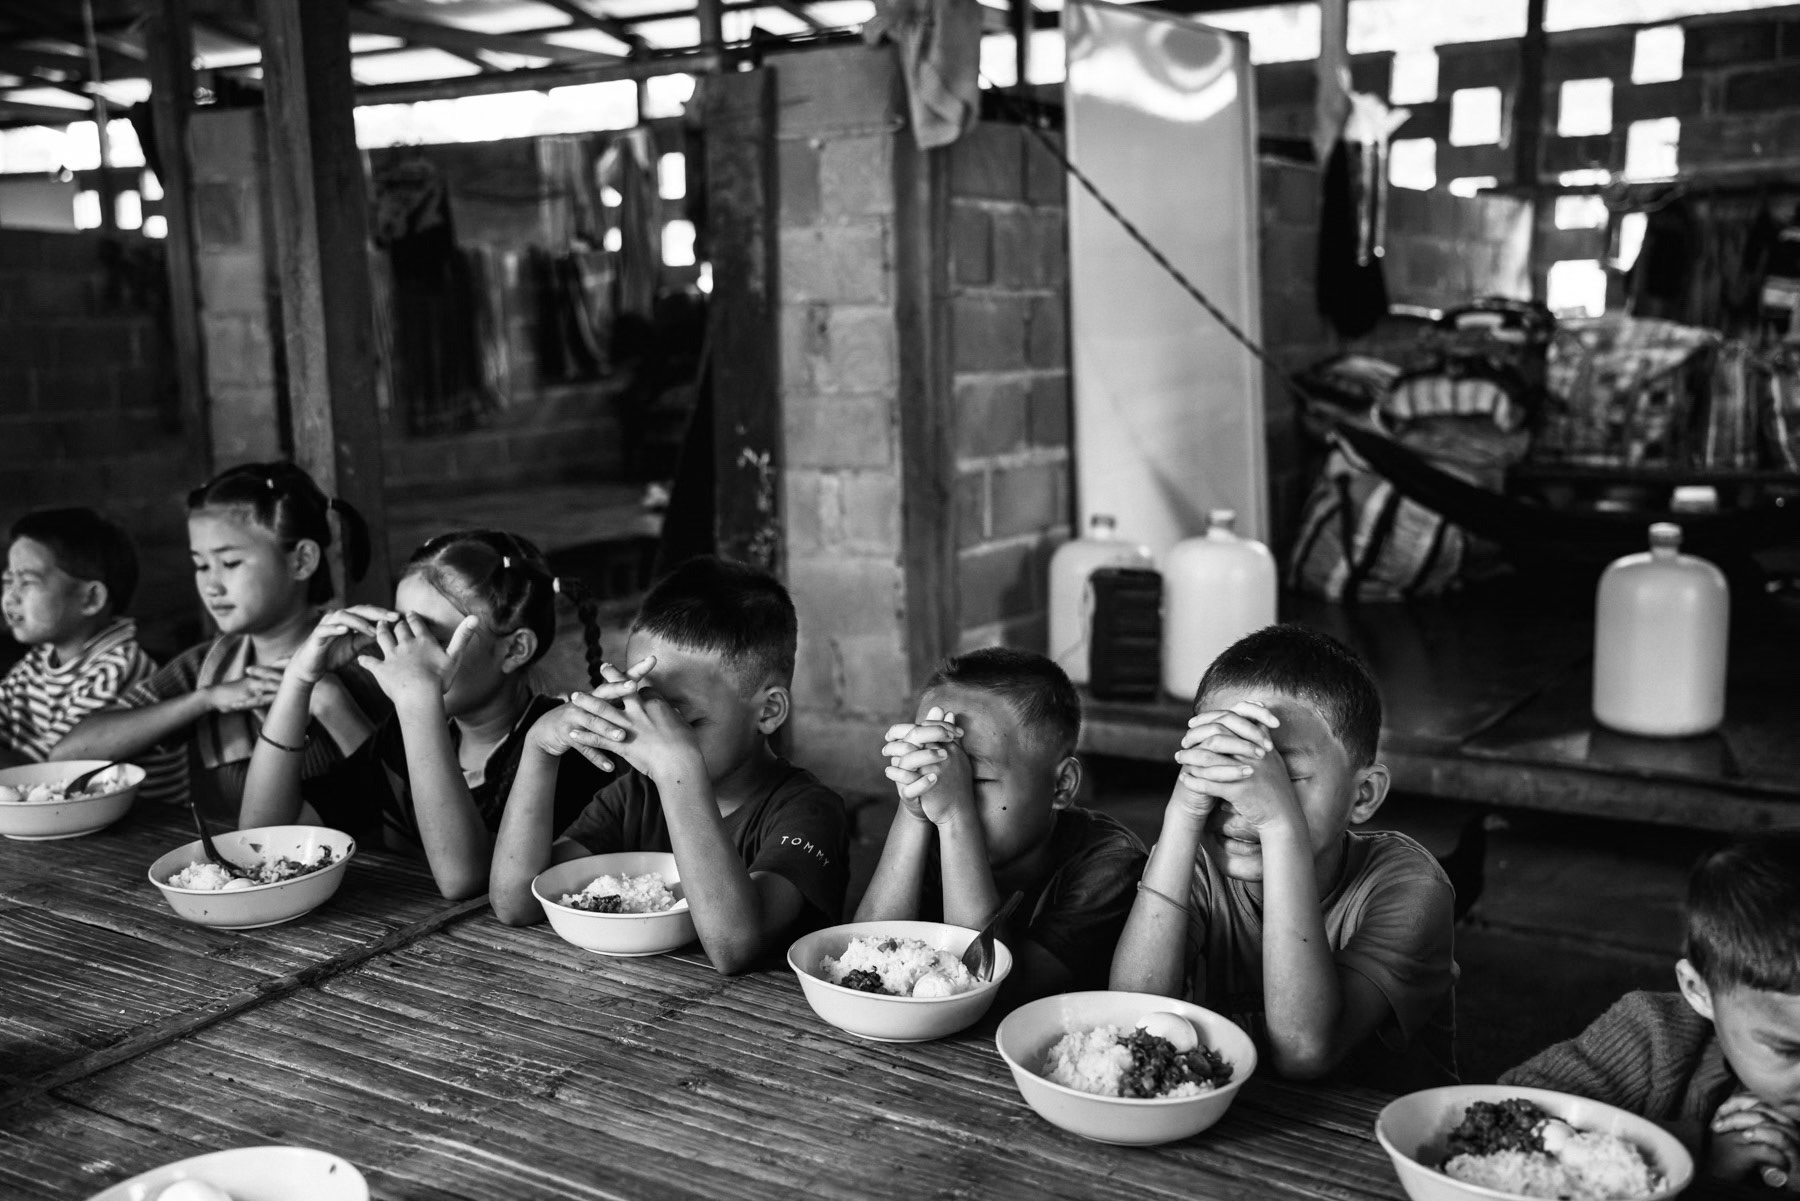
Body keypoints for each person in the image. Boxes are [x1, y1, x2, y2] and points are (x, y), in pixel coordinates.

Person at [1110, 623, 1457, 1090]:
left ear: (1363, 795)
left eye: (1282, 776)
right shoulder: (1195, 865)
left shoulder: (1410, 886)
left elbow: (1304, 1053)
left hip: (1375, 1140)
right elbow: (1131, 1020)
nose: (1243, 797)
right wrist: (1182, 816)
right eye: (1223, 761)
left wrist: (1278, 825)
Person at [490, 556, 848, 975]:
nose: (653, 739)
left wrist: (679, 770)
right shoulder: (635, 796)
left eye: (680, 721)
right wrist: (538, 750)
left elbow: (734, 947)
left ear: (768, 711)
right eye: (639, 709)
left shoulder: (808, 811)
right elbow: (516, 903)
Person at [241, 531, 613, 900]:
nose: (402, 652)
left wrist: (419, 702)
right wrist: (299, 679)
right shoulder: (401, 739)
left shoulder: (562, 746)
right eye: (399, 629)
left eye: (427, 636)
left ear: (515, 649)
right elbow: (263, 840)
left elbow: (464, 880)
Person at [53, 462, 384, 818]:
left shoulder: (365, 657)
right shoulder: (208, 668)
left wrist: (332, 706)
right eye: (201, 565)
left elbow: (406, 804)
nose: (211, 586)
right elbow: (68, 756)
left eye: (230, 563)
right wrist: (206, 699)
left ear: (301, 560)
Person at [1501, 834, 1800, 1187]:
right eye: (1788, 1049)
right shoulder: (1656, 1034)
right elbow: (1508, 1112)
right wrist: (1691, 1152)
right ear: (1699, 991)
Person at [857, 647, 1146, 1005]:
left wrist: (955, 817)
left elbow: (990, 994)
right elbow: (863, 970)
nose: (940, 791)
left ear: (1061, 785)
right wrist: (912, 812)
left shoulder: (1110, 864)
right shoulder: (928, 827)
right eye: (926, 767)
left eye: (972, 780)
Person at [0, 508, 156, 766]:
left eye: (28, 582)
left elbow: (41, 770)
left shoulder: (117, 669)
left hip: (142, 807)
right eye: (7, 580)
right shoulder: (39, 661)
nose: (10, 597)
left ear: (90, 598)